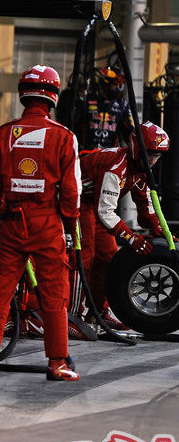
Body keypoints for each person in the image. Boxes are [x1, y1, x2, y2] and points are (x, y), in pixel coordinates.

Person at [0, 65, 82, 381]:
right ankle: (57, 363)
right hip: (47, 224)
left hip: (11, 223)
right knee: (54, 293)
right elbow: (72, 190)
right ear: (52, 97)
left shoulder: (5, 134)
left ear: (24, 94)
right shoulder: (64, 137)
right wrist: (69, 226)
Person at [78, 121, 171, 329]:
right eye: (150, 153)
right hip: (77, 201)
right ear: (136, 146)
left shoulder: (142, 170)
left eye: (158, 155)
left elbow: (146, 211)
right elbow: (105, 212)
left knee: (109, 256)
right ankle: (73, 315)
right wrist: (131, 237)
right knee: (85, 256)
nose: (153, 160)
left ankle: (97, 312)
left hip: (96, 205)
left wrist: (162, 232)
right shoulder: (115, 165)